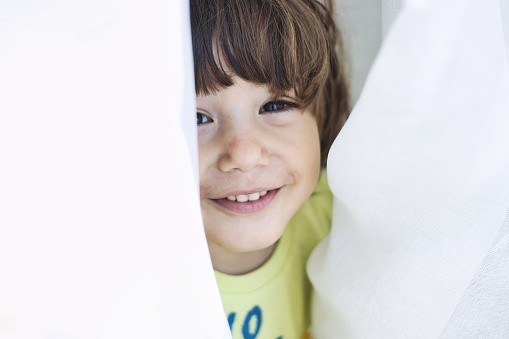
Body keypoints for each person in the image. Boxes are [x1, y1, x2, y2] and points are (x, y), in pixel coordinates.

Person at [190, 0, 349, 337]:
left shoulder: (344, 226)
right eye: (197, 118)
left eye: (275, 105)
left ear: (321, 117)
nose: (244, 155)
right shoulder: (130, 267)